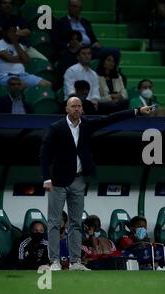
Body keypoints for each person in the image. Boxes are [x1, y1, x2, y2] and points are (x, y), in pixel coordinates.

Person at [39, 96, 152, 271]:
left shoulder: (87, 124)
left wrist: (136, 111)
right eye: (73, 106)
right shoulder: (56, 128)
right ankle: (54, 261)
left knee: (76, 222)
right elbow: (44, 154)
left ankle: (75, 262)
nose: (77, 109)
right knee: (54, 222)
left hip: (78, 179)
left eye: (79, 106)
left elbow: (110, 118)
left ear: (82, 109)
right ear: (67, 109)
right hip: (58, 181)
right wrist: (46, 178)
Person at [53, 0, 120, 62]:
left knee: (114, 51)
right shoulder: (60, 22)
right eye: (75, 6)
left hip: (90, 48)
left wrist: (96, 43)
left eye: (79, 7)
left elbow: (93, 38)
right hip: (74, 50)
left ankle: (112, 74)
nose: (77, 9)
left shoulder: (85, 22)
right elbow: (56, 42)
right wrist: (70, 45)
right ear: (69, 7)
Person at [0, 21, 51, 88]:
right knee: (21, 84)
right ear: (4, 32)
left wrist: (15, 43)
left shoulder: (19, 46)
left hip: (23, 75)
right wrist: (21, 59)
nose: (14, 34)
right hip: (7, 77)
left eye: (15, 32)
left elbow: (27, 60)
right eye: (11, 32)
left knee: (47, 84)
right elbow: (10, 59)